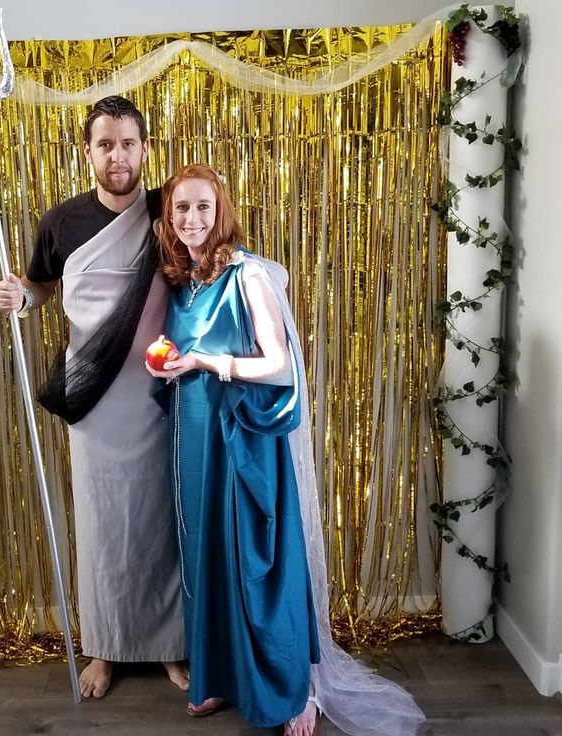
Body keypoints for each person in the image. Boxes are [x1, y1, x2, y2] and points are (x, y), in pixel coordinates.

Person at [146, 164, 426, 736]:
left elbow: (278, 367)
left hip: (244, 440)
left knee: (257, 562)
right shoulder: (182, 278)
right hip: (196, 441)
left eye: (203, 207)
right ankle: (221, 675)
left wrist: (202, 361)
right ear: (168, 218)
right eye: (181, 208)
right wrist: (173, 362)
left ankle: (295, 689)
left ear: (220, 211)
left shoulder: (246, 275)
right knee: (208, 557)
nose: (192, 218)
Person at [0, 96, 187, 699]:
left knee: (162, 522)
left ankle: (169, 648)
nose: (118, 156)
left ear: (146, 149)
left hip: (160, 394)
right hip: (93, 398)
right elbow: (43, 285)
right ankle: (102, 649)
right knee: (102, 524)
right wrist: (22, 298)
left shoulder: (167, 213)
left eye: (128, 143)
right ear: (88, 152)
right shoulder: (61, 223)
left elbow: (209, 267)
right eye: (105, 144)